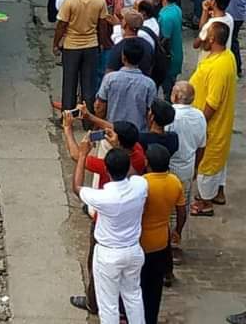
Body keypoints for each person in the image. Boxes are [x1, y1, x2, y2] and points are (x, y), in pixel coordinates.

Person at [64, 112, 146, 316]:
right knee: (133, 296)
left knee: (107, 304)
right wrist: (91, 117)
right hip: (133, 249)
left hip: (109, 253)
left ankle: (93, 305)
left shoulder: (104, 197)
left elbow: (77, 187)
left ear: (107, 172)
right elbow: (133, 173)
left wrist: (81, 150)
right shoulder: (140, 184)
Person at [189, 19, 238, 215]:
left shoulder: (219, 67)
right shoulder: (226, 56)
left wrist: (199, 124)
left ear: (212, 38)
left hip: (211, 125)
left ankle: (205, 203)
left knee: (207, 165)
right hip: (219, 124)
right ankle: (218, 193)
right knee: (218, 161)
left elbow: (212, 103)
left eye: (206, 35)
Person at [139, 144, 187, 324]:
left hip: (142, 243)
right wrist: (177, 230)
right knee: (155, 288)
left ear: (147, 162)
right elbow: (181, 212)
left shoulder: (142, 183)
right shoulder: (175, 182)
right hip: (162, 242)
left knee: (138, 288)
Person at [53, 0, 109, 113]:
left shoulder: (70, 0)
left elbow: (61, 25)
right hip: (91, 45)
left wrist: (56, 44)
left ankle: (68, 118)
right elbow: (103, 24)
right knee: (88, 85)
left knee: (69, 84)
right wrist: (103, 42)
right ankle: (88, 119)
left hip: (71, 47)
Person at [165, 81, 206, 252]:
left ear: (174, 96)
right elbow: (202, 146)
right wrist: (196, 167)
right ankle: (177, 236)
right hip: (187, 168)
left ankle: (166, 240)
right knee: (182, 207)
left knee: (167, 209)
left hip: (169, 168)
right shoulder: (200, 116)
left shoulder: (170, 115)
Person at [94, 37, 157, 131]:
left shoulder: (110, 79)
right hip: (138, 135)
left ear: (123, 57)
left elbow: (100, 107)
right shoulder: (149, 84)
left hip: (112, 131)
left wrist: (96, 127)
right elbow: (150, 114)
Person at [157, 0, 183, 98]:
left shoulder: (165, 16)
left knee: (168, 94)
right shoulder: (176, 9)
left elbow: (164, 41)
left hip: (169, 60)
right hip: (176, 55)